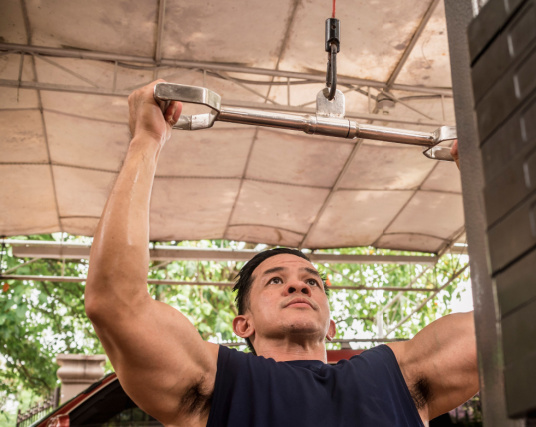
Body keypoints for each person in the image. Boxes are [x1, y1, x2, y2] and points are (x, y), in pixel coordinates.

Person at [85, 80, 477, 427]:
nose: (298, 286)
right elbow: (115, 303)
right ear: (244, 325)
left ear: (332, 325)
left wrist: (482, 170)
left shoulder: (399, 376)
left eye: (312, 282)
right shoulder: (216, 384)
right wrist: (147, 140)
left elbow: (511, 318)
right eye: (276, 280)